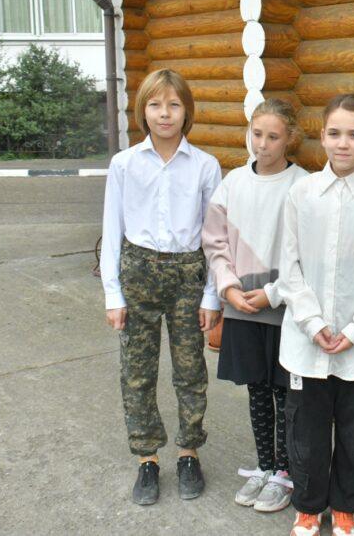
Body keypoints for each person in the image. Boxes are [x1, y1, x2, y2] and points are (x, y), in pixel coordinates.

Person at [277, 94, 354, 536]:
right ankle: (309, 506)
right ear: (322, 136)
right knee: (305, 433)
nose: (343, 143)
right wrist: (313, 323)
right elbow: (289, 265)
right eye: (334, 133)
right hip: (305, 342)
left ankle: (347, 506)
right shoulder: (301, 193)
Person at [100, 68, 223, 506]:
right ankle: (147, 457)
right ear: (143, 111)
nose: (165, 113)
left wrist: (212, 294)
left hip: (188, 275)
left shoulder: (205, 166)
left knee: (190, 371)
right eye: (155, 105)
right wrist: (113, 294)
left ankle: (189, 452)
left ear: (187, 111)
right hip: (138, 273)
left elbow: (216, 237)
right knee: (137, 373)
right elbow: (111, 231)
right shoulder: (124, 164)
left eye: (174, 104)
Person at [201, 98, 309, 512]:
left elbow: (310, 252)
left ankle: (285, 471)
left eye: (273, 137)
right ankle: (264, 466)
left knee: (285, 393)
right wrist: (227, 287)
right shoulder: (232, 184)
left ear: (290, 138)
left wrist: (275, 293)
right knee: (257, 390)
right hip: (241, 305)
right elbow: (215, 241)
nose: (262, 144)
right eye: (257, 134)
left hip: (284, 308)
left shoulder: (303, 185)